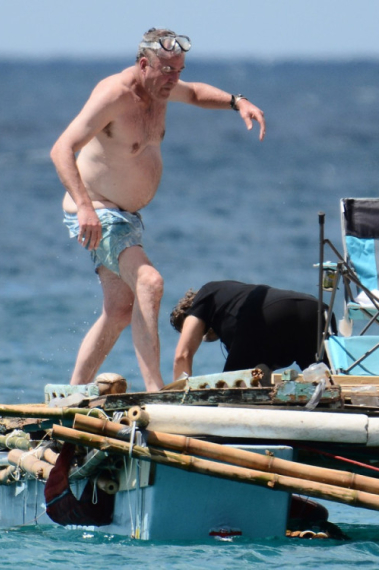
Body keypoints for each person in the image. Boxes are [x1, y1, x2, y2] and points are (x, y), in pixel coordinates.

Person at [51, 29, 266, 392]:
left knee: (119, 310)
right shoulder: (115, 95)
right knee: (149, 282)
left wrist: (237, 102)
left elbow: (196, 92)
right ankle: (155, 390)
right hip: (99, 212)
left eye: (178, 70)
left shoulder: (162, 89)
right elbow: (61, 149)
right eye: (166, 69)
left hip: (126, 218)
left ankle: (71, 393)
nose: (173, 79)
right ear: (143, 63)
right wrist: (86, 208)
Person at [170, 281, 334, 379]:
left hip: (268, 315)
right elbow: (259, 370)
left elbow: (182, 355)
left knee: (232, 391)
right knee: (324, 383)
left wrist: (178, 401)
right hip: (318, 311)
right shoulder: (232, 303)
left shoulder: (205, 294)